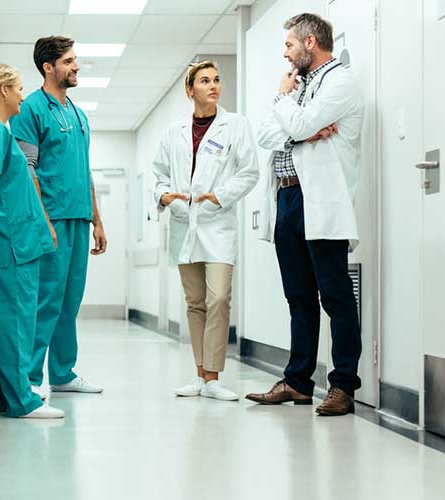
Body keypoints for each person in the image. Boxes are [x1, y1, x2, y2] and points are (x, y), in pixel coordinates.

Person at [245, 13, 364, 416]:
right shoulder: (300, 85)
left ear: (310, 42)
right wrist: (297, 125)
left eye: (290, 45)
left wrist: (287, 109)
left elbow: (300, 122)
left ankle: (343, 386)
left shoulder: (341, 82)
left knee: (335, 295)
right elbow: (266, 134)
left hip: (321, 200)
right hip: (288, 201)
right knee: (298, 296)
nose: (286, 53)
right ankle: (298, 382)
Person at [153, 60, 259, 401]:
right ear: (190, 90)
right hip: (185, 224)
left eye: (216, 80)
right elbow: (159, 175)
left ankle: (214, 376)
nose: (213, 85)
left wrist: (221, 196)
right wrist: (164, 195)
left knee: (219, 298)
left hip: (218, 224)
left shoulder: (236, 125)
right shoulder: (174, 132)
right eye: (204, 81)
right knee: (195, 302)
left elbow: (249, 172)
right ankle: (200, 375)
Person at [9, 36, 106, 397]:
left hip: (79, 219)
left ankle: (63, 373)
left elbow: (86, 170)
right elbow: (27, 169)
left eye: (75, 60)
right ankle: (30, 379)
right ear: (48, 67)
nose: (76, 66)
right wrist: (44, 221)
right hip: (51, 219)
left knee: (70, 300)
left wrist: (97, 220)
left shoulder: (78, 115)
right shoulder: (31, 109)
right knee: (46, 299)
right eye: (68, 61)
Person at [0, 62, 64, 419]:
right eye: (20, 88)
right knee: (15, 323)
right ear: (4, 91)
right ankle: (22, 400)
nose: (24, 95)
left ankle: (8, 398)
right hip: (9, 241)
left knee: (3, 325)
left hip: (9, 241)